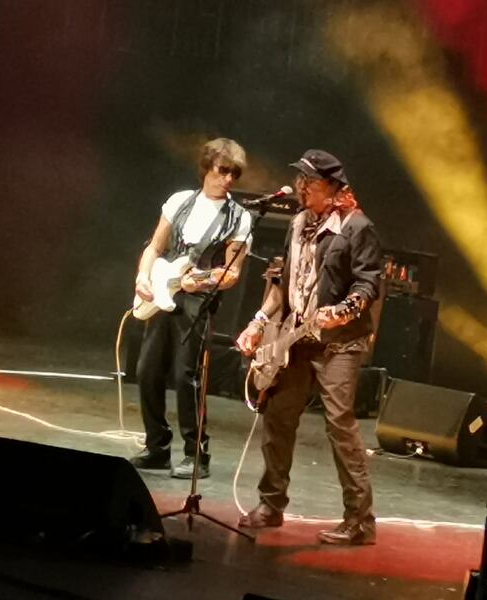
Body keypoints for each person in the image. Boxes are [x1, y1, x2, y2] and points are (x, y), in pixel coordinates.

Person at [235, 149, 382, 545]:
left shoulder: (357, 227)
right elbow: (283, 284)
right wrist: (258, 322)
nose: (301, 187)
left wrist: (344, 311)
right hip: (297, 338)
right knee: (278, 415)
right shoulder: (298, 222)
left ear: (333, 187)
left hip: (340, 342)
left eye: (310, 181)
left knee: (339, 423)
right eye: (300, 179)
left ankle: (360, 521)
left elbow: (369, 284)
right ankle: (271, 504)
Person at [131, 138, 252, 478]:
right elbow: (156, 246)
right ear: (206, 168)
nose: (228, 179)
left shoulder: (239, 218)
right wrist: (143, 276)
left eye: (234, 174)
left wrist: (199, 282)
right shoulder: (180, 202)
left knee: (187, 376)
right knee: (147, 370)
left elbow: (232, 274)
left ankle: (196, 453)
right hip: (163, 290)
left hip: (198, 299)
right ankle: (157, 447)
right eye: (222, 170)